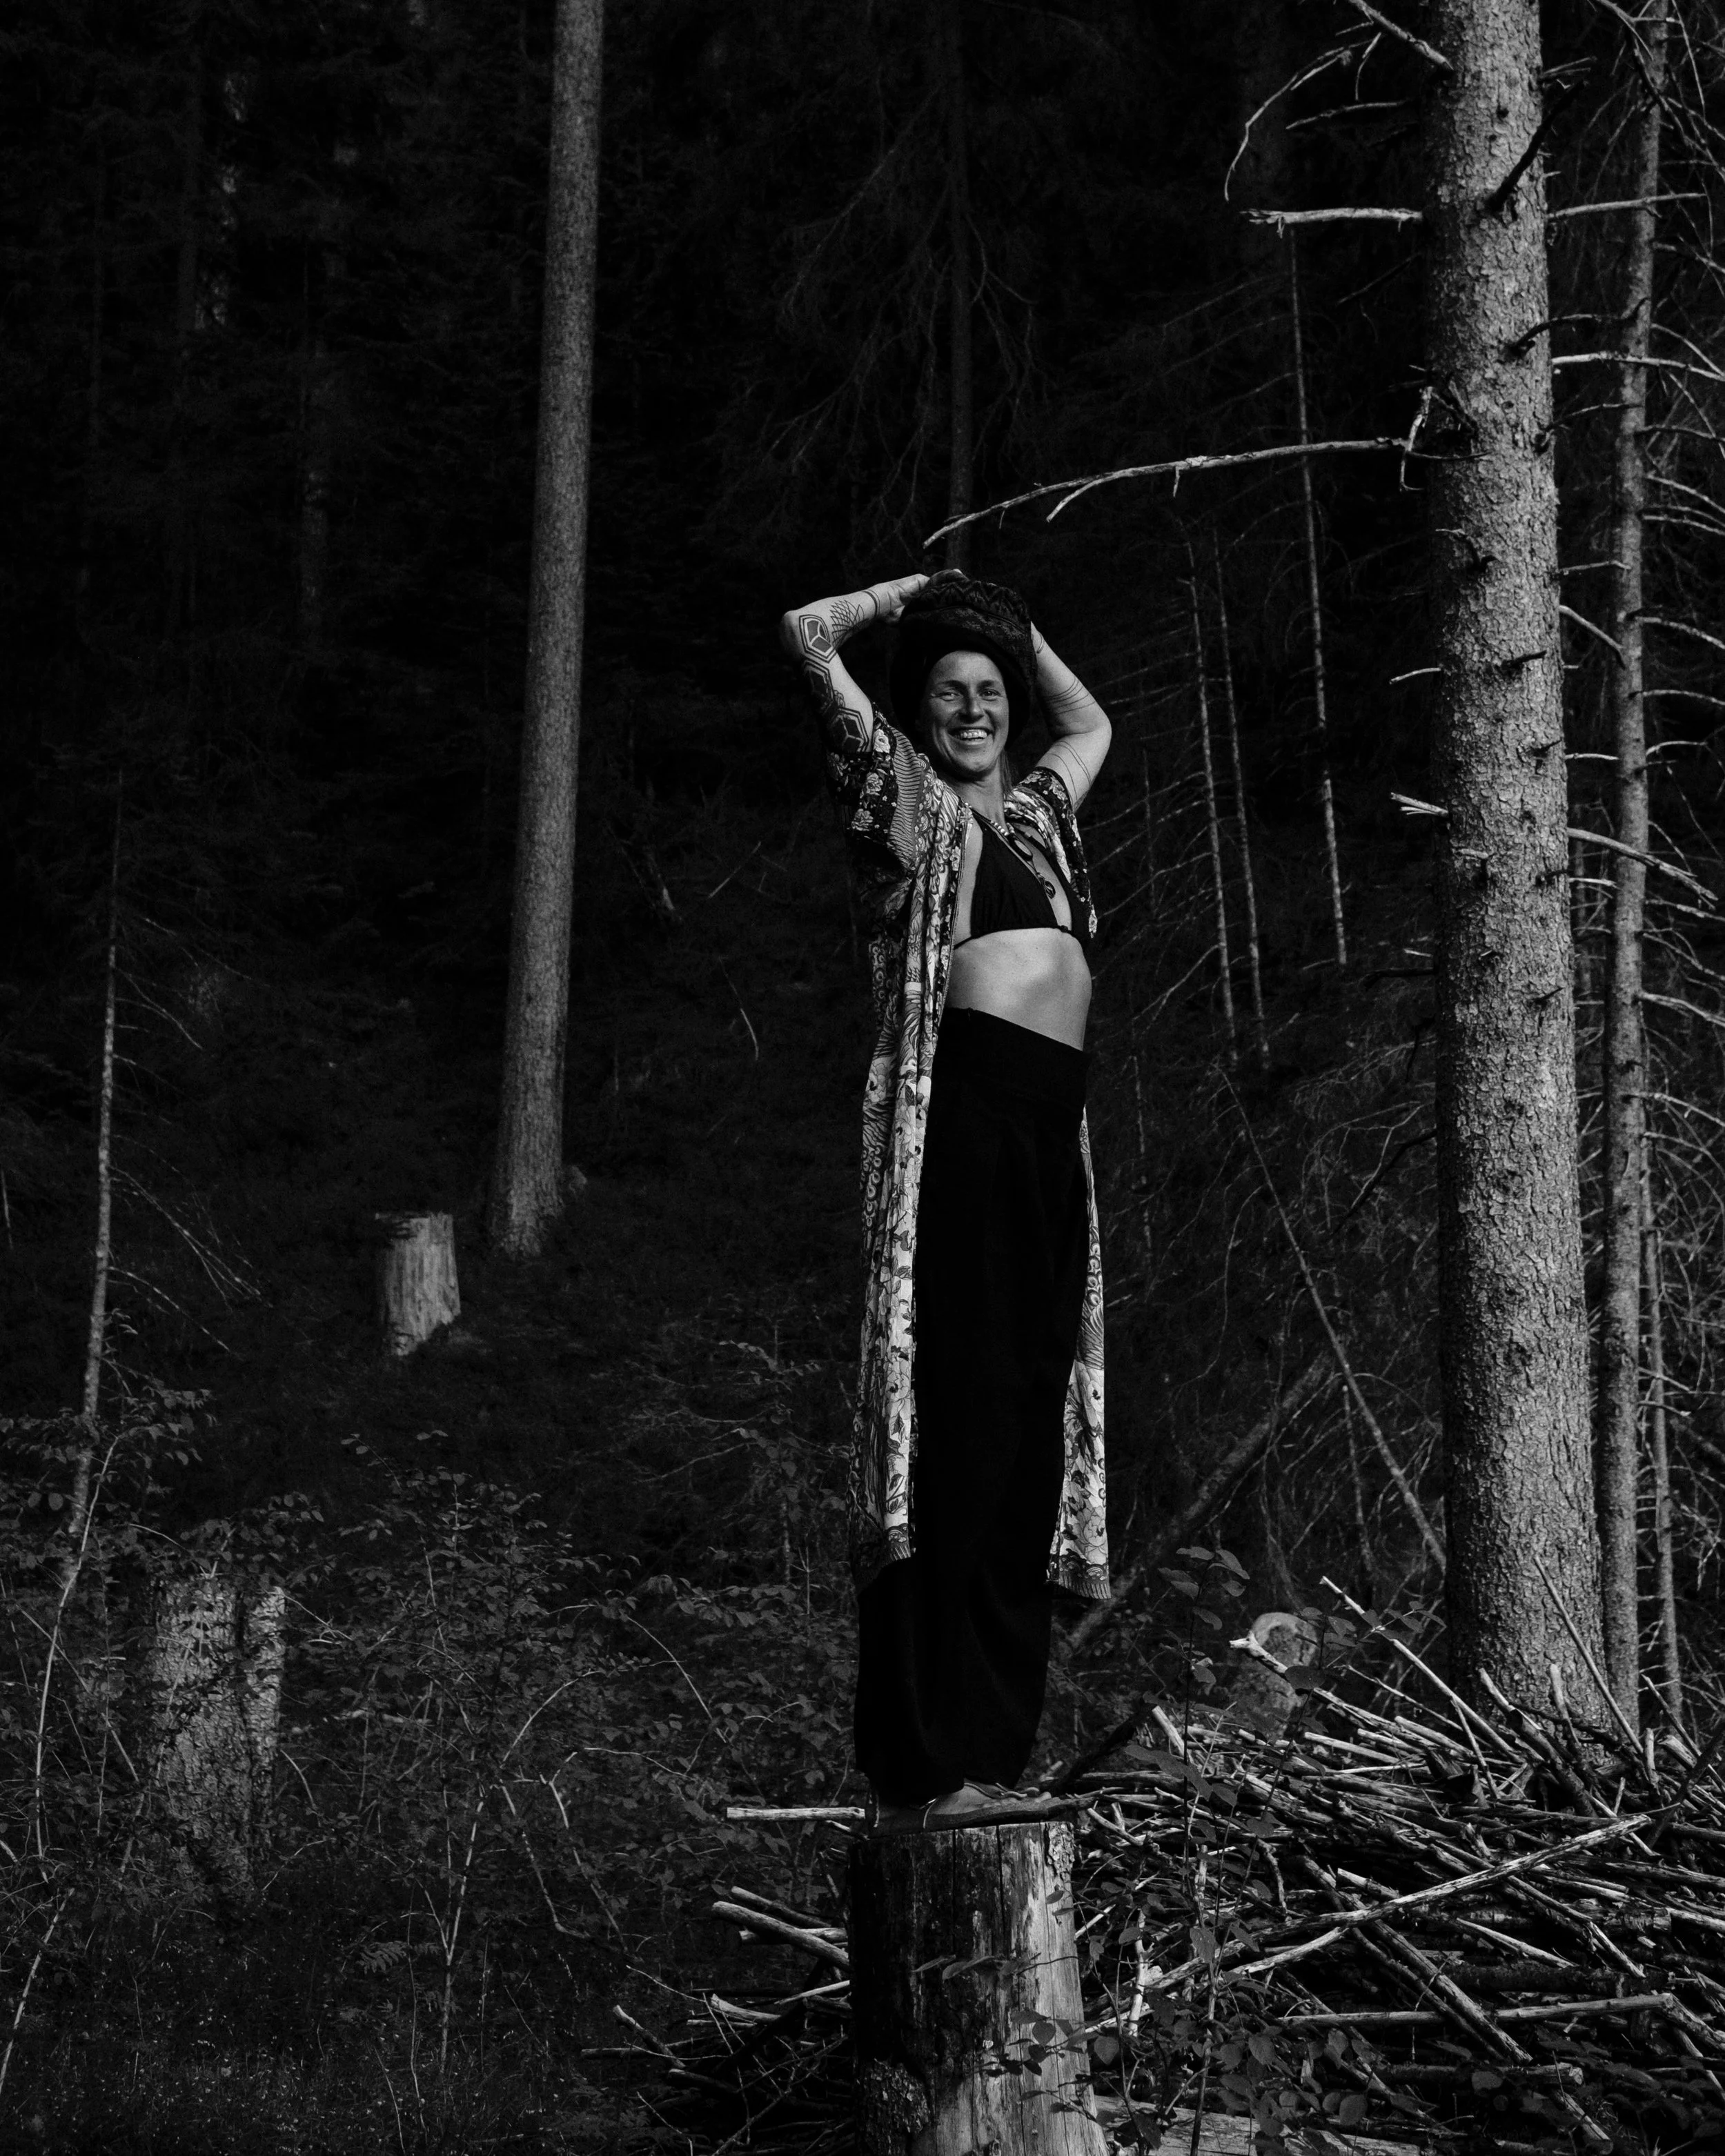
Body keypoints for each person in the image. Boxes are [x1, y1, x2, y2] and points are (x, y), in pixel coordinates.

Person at [779, 568, 1112, 1830]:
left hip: (1051, 1141)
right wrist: (918, 593)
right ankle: (921, 1769)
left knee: (1027, 1440)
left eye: (990, 692)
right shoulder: (902, 807)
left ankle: (990, 1754)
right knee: (958, 1431)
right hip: (963, 1129)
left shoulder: (1037, 819)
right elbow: (808, 636)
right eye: (949, 693)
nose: (974, 710)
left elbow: (1089, 724)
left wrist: (1013, 627)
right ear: (917, 715)